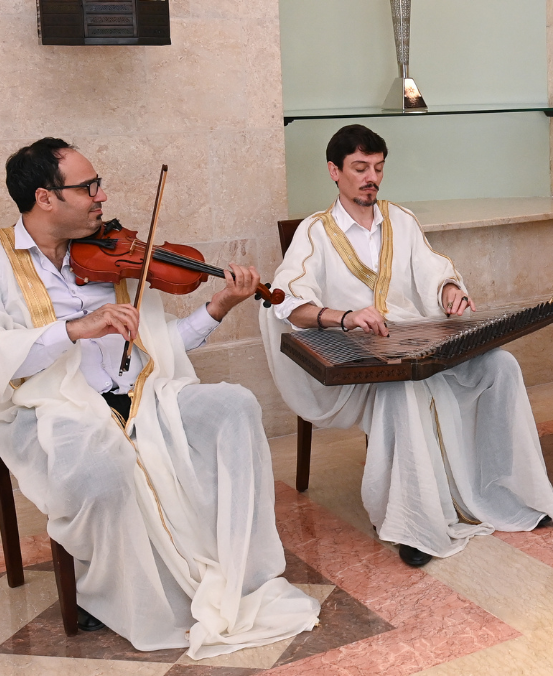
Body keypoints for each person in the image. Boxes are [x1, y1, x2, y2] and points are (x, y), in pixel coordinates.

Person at [0, 139, 319, 657]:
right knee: (100, 470)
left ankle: (243, 569)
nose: (102, 197)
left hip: (143, 394)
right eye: (89, 187)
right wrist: (75, 329)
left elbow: (161, 345)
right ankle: (107, 591)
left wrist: (219, 305)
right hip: (52, 407)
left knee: (235, 406)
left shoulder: (110, 254)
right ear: (45, 197)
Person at [260, 125, 553, 567]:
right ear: (334, 171)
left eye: (378, 168)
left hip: (418, 340)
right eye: (360, 168)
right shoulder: (314, 233)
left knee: (502, 366)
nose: (371, 178)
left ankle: (508, 491)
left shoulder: (400, 221)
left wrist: (448, 293)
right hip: (360, 360)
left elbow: (433, 270)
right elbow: (288, 303)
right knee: (403, 388)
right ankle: (416, 526)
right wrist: (345, 318)